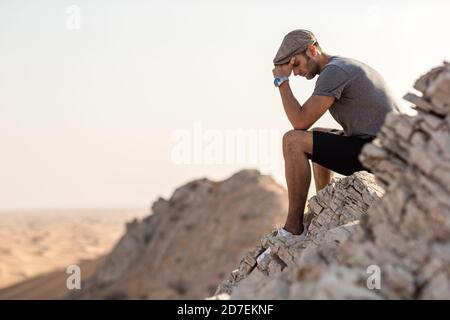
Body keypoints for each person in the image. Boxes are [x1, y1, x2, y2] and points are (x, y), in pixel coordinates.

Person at [271, 29, 402, 237]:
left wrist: (281, 82)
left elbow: (299, 121)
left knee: (293, 141)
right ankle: (325, 201)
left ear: (312, 50)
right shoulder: (341, 65)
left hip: (383, 155)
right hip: (385, 148)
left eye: (296, 65)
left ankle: (293, 227)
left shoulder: (334, 72)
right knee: (317, 135)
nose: (295, 73)